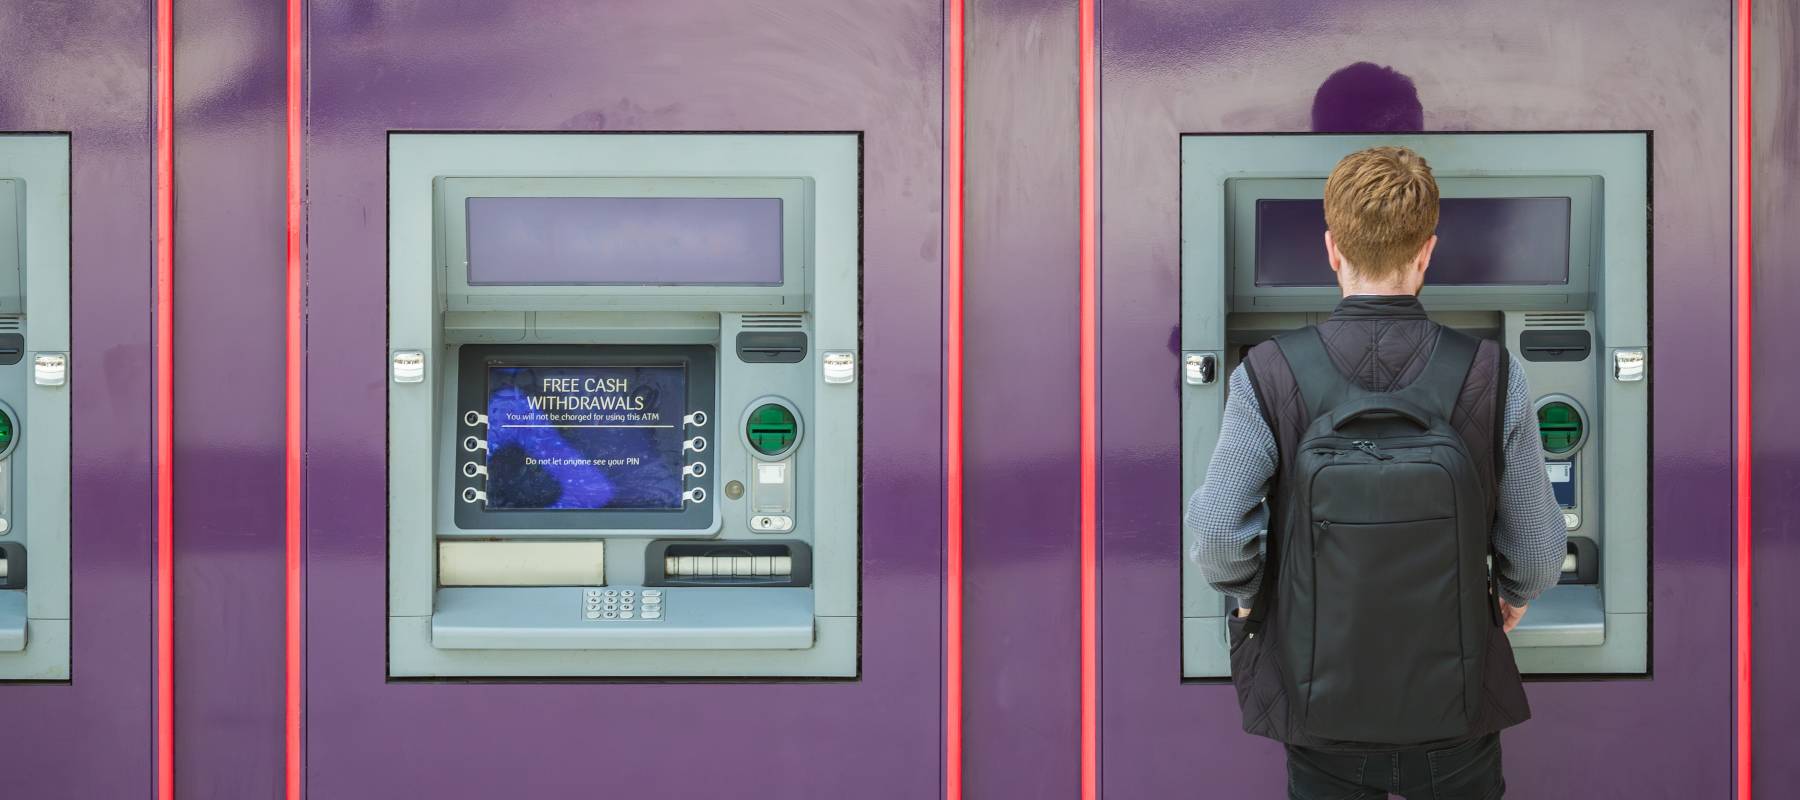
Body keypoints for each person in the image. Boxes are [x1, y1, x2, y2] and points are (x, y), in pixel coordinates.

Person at [1186, 146, 1568, 799]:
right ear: (1427, 252)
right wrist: (1511, 595)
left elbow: (1220, 533)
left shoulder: (1268, 374)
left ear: (1332, 250)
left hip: (1321, 707)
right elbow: (1535, 552)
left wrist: (1254, 595)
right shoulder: (1493, 373)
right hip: (1454, 712)